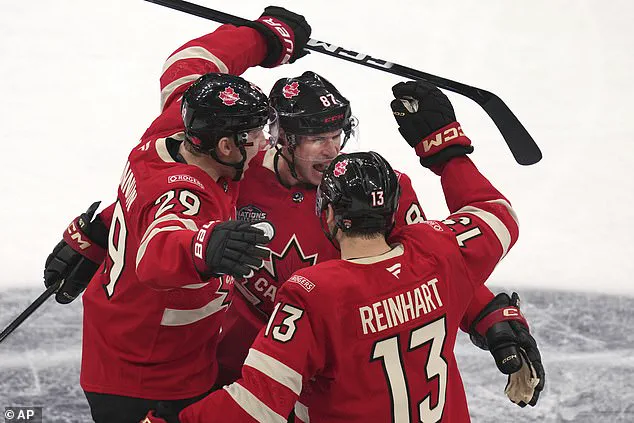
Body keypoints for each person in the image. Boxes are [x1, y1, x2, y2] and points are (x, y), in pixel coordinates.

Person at [141, 80, 540, 423]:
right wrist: (100, 230)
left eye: (337, 135)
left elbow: (427, 271)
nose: (331, 151)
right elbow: (165, 202)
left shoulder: (373, 192)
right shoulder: (239, 172)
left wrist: (490, 319)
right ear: (281, 137)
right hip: (238, 371)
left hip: (327, 383)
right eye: (316, 139)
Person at [41, 6, 312, 423]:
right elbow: (159, 250)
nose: (265, 144)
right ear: (226, 147)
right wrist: (203, 247)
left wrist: (267, 39)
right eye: (256, 135)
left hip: (133, 348)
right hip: (149, 381)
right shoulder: (184, 196)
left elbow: (192, 63)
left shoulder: (176, 130)